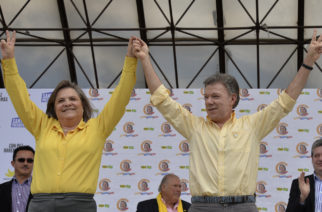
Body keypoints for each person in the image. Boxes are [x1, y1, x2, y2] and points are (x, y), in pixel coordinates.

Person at [131, 30, 322, 212]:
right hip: (202, 207)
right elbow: (162, 100)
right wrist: (145, 59)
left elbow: (286, 101)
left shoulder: (252, 126)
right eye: (206, 97)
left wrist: (308, 61)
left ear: (232, 99)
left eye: (215, 96)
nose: (209, 101)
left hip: (243, 207)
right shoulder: (194, 127)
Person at [0, 30, 138, 212]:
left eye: (73, 99)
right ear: (54, 107)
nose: (67, 103)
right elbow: (19, 97)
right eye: (61, 100)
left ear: (83, 104)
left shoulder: (97, 128)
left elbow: (121, 96)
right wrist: (9, 61)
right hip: (40, 205)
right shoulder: (41, 126)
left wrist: (130, 60)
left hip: (80, 205)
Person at [286, 138, 322, 212]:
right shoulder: (298, 184)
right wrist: (302, 198)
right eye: (317, 156)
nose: (320, 159)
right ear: (312, 159)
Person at [0, 145, 35, 212]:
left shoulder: (40, 190)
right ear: (13, 163)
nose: (25, 163)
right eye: (21, 160)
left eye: (30, 160)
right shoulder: (1, 189)